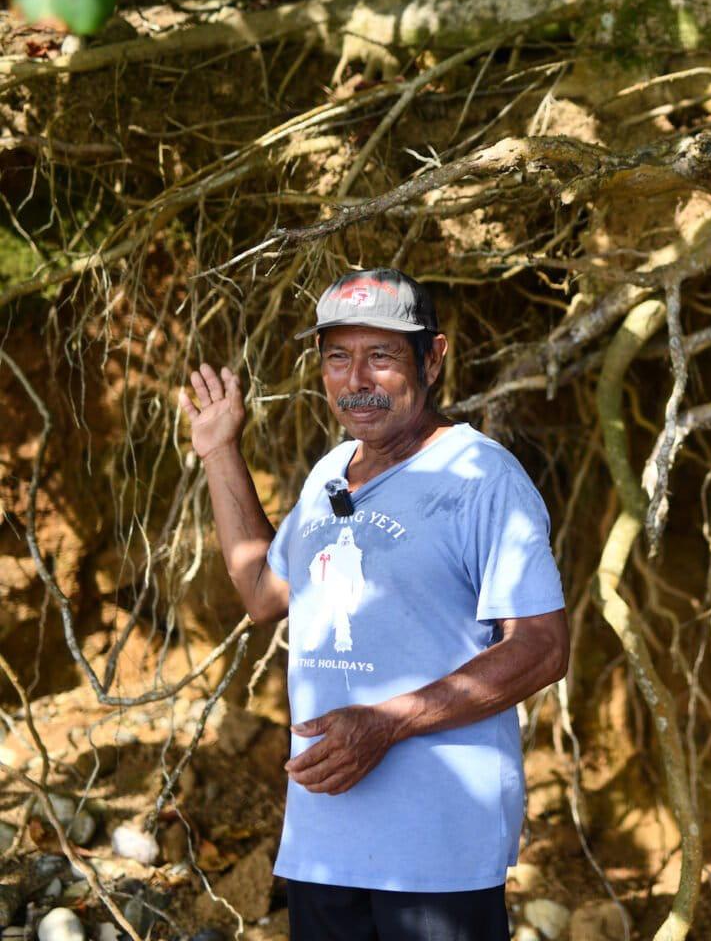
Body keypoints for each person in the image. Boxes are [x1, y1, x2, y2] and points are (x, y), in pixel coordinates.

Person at [178, 268, 568, 941]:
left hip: (437, 854)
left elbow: (542, 648)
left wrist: (388, 723)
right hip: (323, 843)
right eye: (338, 357)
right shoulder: (330, 474)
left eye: (381, 356)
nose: (355, 378)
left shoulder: (483, 479)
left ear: (434, 357)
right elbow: (262, 593)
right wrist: (220, 451)